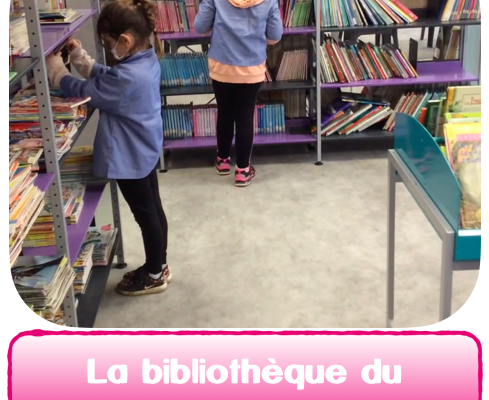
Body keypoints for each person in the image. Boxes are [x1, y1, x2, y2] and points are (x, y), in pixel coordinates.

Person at [46, 0, 172, 296]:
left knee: (146, 216)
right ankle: (159, 266)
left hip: (129, 159)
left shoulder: (126, 78)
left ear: (125, 41)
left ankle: (154, 274)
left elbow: (86, 91)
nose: (107, 48)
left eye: (107, 43)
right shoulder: (146, 59)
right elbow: (108, 78)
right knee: (153, 210)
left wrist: (57, 74)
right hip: (144, 151)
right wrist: (80, 58)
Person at [194, 0, 283, 187]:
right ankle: (242, 170)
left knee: (225, 112)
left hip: (221, 66)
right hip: (252, 68)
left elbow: (200, 27)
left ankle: (222, 160)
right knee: (245, 117)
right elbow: (275, 36)